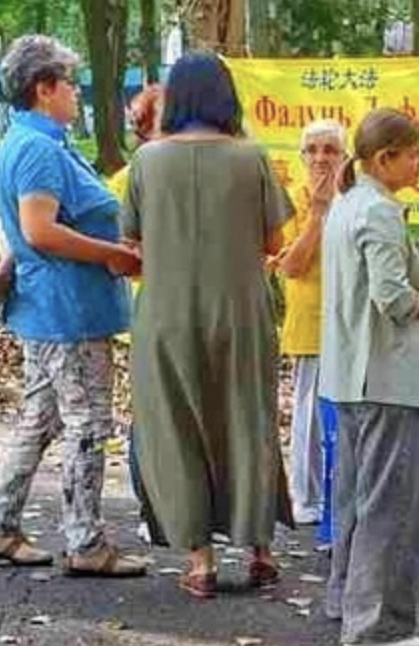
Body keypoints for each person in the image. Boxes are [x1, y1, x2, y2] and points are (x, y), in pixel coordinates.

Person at [121, 52, 294, 599]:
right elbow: (273, 242)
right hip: (241, 307)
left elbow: (134, 241)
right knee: (248, 419)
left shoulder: (148, 162)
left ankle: (200, 560)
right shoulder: (253, 158)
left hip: (166, 310)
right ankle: (260, 549)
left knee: (177, 425)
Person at [0, 34, 146, 577]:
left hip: (49, 308)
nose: (77, 92)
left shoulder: (32, 142)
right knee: (88, 425)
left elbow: (19, 229)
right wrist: (114, 254)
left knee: (40, 420)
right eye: (71, 83)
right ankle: (85, 541)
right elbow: (39, 230)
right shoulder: (38, 150)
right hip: (68, 313)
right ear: (44, 89)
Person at [320, 109, 419, 646]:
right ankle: (378, 628)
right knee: (393, 507)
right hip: (386, 376)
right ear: (384, 158)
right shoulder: (380, 211)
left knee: (354, 500)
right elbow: (391, 297)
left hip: (348, 376)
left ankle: (344, 601)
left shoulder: (346, 205)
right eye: (414, 152)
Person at [277, 120, 346, 526]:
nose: (321, 158)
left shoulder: (357, 197)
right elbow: (291, 265)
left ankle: (339, 495)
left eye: (330, 150)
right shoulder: (292, 200)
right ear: (302, 157)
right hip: (311, 320)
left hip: (351, 323)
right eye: (313, 150)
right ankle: (306, 497)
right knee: (311, 415)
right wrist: (318, 215)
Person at [108, 83, 164, 545]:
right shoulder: (129, 179)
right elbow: (124, 249)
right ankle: (150, 508)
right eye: (166, 116)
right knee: (148, 416)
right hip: (147, 311)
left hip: (183, 313)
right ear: (144, 127)